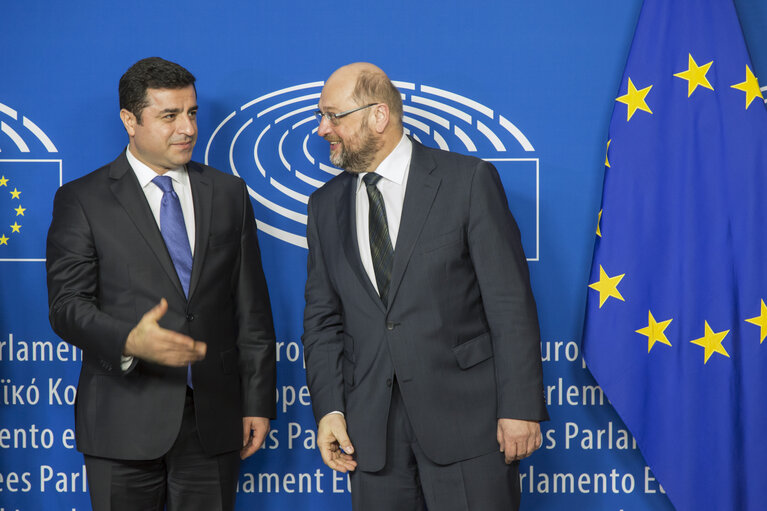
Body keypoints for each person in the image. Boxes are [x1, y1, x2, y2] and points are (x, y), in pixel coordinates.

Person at [301, 62, 548, 511]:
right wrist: (330, 411)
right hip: (371, 439)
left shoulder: (467, 180)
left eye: (333, 116)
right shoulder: (324, 207)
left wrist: (521, 406)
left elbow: (509, 303)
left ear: (379, 116)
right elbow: (322, 322)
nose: (323, 129)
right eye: (322, 116)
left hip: (470, 427)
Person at [46, 57, 276, 511]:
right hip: (121, 420)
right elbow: (67, 306)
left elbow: (251, 307)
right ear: (129, 120)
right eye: (169, 116)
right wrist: (129, 339)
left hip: (213, 417)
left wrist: (257, 401)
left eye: (192, 113)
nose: (187, 128)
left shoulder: (230, 193)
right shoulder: (82, 199)